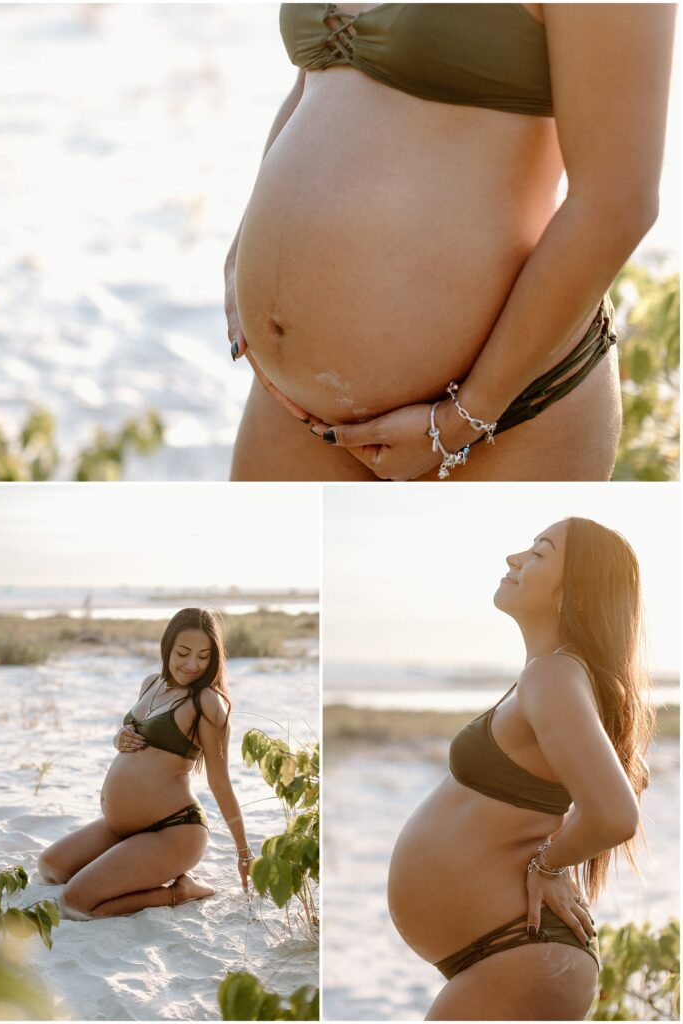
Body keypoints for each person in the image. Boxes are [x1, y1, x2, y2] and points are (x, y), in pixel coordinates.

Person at [225, 4, 675, 482]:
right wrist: (242, 254)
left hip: (499, 411)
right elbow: (318, 78)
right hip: (296, 407)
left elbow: (616, 203)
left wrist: (461, 420)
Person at [387, 518, 653, 1020]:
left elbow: (617, 812)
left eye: (539, 553)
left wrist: (549, 863)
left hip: (521, 957)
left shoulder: (553, 674)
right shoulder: (553, 673)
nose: (514, 558)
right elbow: (628, 778)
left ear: (573, 597)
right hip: (511, 957)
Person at [38, 609, 253, 917]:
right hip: (125, 827)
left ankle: (180, 891)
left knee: (76, 903)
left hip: (174, 830)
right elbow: (141, 735)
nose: (192, 665)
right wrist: (119, 737)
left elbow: (220, 782)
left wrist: (243, 852)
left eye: (204, 656)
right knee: (51, 867)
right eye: (183, 653)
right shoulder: (151, 683)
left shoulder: (206, 702)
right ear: (167, 647)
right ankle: (129, 860)